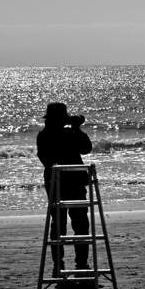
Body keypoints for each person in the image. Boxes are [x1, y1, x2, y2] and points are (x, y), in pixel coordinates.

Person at [36, 102, 93, 273]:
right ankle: (77, 263)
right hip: (68, 180)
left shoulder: (45, 135)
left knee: (64, 223)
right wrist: (76, 128)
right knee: (77, 222)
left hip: (59, 181)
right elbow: (86, 148)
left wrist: (75, 129)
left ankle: (63, 264)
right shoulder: (55, 134)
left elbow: (86, 148)